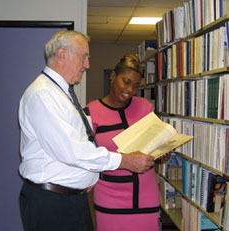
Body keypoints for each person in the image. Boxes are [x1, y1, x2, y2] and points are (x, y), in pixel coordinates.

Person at [18, 30, 156, 231]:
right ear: (63, 55)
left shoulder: (61, 93)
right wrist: (126, 161)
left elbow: (78, 143)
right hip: (52, 204)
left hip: (70, 200)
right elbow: (72, 151)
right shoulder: (43, 95)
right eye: (84, 57)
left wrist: (87, 174)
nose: (87, 65)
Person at [85, 54, 170, 231]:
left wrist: (162, 154)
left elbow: (154, 148)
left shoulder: (145, 107)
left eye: (136, 86)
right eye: (126, 82)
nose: (130, 90)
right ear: (113, 77)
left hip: (146, 197)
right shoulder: (91, 111)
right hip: (109, 198)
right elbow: (88, 158)